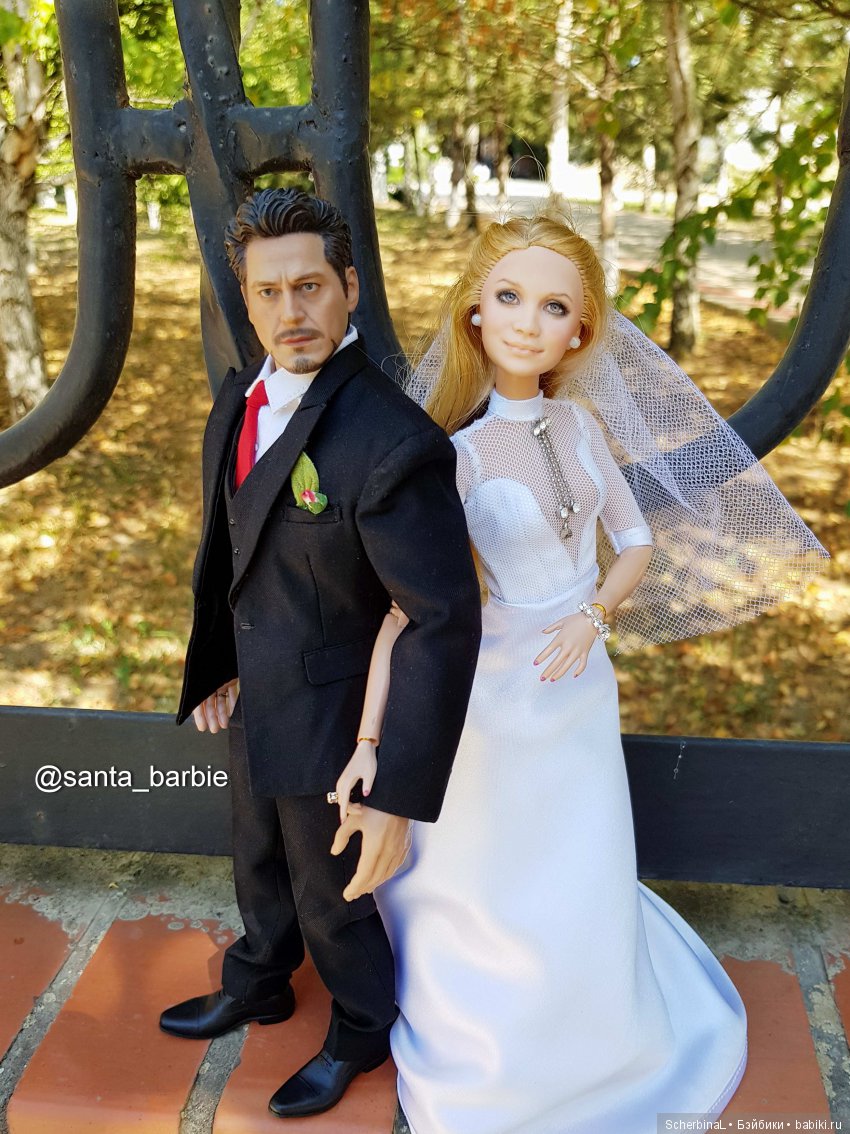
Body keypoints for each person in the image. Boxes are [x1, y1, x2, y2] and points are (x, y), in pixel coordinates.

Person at [340, 212, 826, 1134]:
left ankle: (594, 1012)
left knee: (580, 851)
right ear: (476, 312)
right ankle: (505, 1033)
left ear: (581, 330)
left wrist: (594, 614)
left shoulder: (579, 424)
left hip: (577, 681)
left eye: (554, 306)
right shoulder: (453, 455)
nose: (528, 322)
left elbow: (634, 541)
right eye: (509, 297)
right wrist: (370, 742)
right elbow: (406, 615)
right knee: (494, 863)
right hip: (491, 694)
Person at [159, 188, 481, 1120]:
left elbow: (440, 617)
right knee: (254, 850)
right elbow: (230, 548)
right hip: (256, 687)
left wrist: (394, 783)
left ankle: (361, 1026)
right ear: (246, 299)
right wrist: (216, 662)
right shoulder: (240, 397)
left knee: (330, 887)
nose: (290, 311)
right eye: (268, 292)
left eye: (310, 286)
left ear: (349, 288)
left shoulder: (392, 441)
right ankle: (260, 976)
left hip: (339, 712)